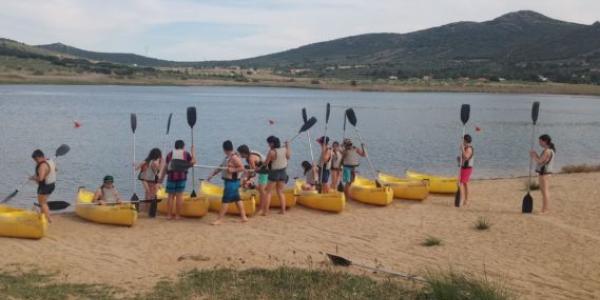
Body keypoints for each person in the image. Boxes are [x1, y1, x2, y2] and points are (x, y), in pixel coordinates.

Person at [208, 140, 247, 225]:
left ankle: (219, 219)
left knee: (225, 200)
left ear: (224, 149)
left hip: (232, 182)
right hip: (229, 182)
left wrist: (233, 170)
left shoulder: (234, 157)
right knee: (237, 199)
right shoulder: (227, 157)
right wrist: (212, 175)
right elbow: (221, 167)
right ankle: (244, 217)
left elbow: (242, 168)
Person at [160, 140, 196, 220]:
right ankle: (177, 216)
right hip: (182, 178)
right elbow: (193, 162)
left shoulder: (170, 154)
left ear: (175, 146)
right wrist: (193, 152)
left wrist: (161, 179)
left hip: (171, 177)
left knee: (170, 197)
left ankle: (169, 215)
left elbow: (166, 167)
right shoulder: (186, 154)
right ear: (183, 146)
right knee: (179, 197)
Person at [263, 136, 291, 215]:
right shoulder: (285, 149)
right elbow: (288, 157)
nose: (268, 145)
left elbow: (265, 164)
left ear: (272, 143)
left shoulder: (271, 152)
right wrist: (288, 146)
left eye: (268, 143)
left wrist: (259, 168)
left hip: (274, 173)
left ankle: (265, 212)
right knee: (280, 192)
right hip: (283, 172)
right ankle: (283, 211)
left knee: (268, 192)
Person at [237, 145, 268, 215]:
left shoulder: (250, 158)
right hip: (264, 171)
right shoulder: (251, 153)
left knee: (262, 192)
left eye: (240, 153)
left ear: (244, 153)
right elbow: (253, 170)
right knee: (261, 189)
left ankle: (261, 209)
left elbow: (253, 172)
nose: (240, 155)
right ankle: (263, 208)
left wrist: (245, 180)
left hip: (265, 172)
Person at [530, 134, 555, 214]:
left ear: (545, 141)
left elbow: (539, 161)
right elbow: (542, 161)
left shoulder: (547, 151)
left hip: (545, 174)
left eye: (540, 141)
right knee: (544, 191)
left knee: (545, 192)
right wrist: (535, 154)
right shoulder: (547, 150)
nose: (539, 143)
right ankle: (545, 209)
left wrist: (533, 156)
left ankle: (545, 210)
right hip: (544, 173)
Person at [30, 149, 56, 223]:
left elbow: (40, 179)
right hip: (52, 185)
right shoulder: (50, 161)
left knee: (42, 203)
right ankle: (41, 217)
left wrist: (33, 178)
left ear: (40, 156)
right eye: (34, 160)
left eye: (36, 159)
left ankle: (49, 220)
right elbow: (56, 169)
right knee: (43, 202)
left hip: (45, 187)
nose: (35, 161)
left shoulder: (42, 165)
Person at [458, 134, 474, 207]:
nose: (462, 142)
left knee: (461, 184)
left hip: (467, 169)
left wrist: (462, 149)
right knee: (464, 184)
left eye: (463, 140)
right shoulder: (466, 147)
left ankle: (463, 200)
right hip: (463, 167)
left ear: (466, 141)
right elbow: (462, 158)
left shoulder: (469, 149)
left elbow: (466, 157)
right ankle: (465, 200)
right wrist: (459, 160)